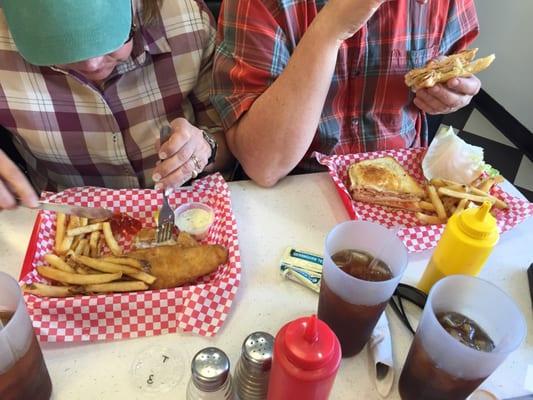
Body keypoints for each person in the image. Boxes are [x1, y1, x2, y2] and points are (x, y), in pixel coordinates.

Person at [211, 0, 480, 187]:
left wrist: (453, 94)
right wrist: (330, 28)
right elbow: (264, 165)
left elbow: (457, 64)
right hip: (296, 187)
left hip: (403, 184)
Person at [0, 0, 233, 211]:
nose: (92, 64)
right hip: (62, 219)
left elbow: (231, 146)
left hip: (185, 210)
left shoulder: (188, 23)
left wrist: (207, 148)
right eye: (59, 45)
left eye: (109, 36)